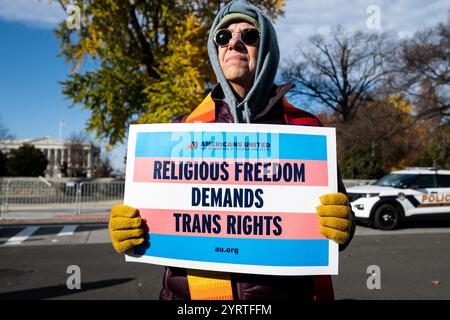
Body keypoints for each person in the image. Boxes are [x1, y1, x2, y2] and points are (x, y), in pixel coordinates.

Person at [109, 0, 355, 300]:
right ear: (216, 50)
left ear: (266, 51)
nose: (234, 43)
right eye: (223, 37)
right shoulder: (181, 130)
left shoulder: (305, 129)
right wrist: (132, 230)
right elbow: (159, 230)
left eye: (249, 36)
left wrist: (343, 224)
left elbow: (336, 227)